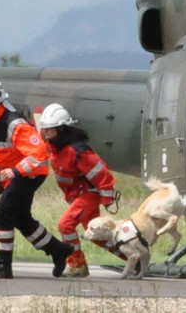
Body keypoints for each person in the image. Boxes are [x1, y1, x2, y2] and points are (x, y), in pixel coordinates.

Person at [0, 75, 75, 279]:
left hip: (30, 174)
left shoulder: (14, 124)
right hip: (20, 174)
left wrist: (14, 171)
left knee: (2, 214)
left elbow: (39, 153)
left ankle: (3, 265)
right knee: (21, 218)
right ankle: (58, 250)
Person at [39, 103, 128, 278]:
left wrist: (107, 198)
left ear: (61, 129)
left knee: (65, 225)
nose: (46, 132)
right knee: (96, 235)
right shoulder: (53, 148)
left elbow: (102, 173)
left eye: (50, 129)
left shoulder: (77, 151)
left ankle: (77, 265)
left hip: (88, 195)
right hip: (78, 196)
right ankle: (133, 258)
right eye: (45, 129)